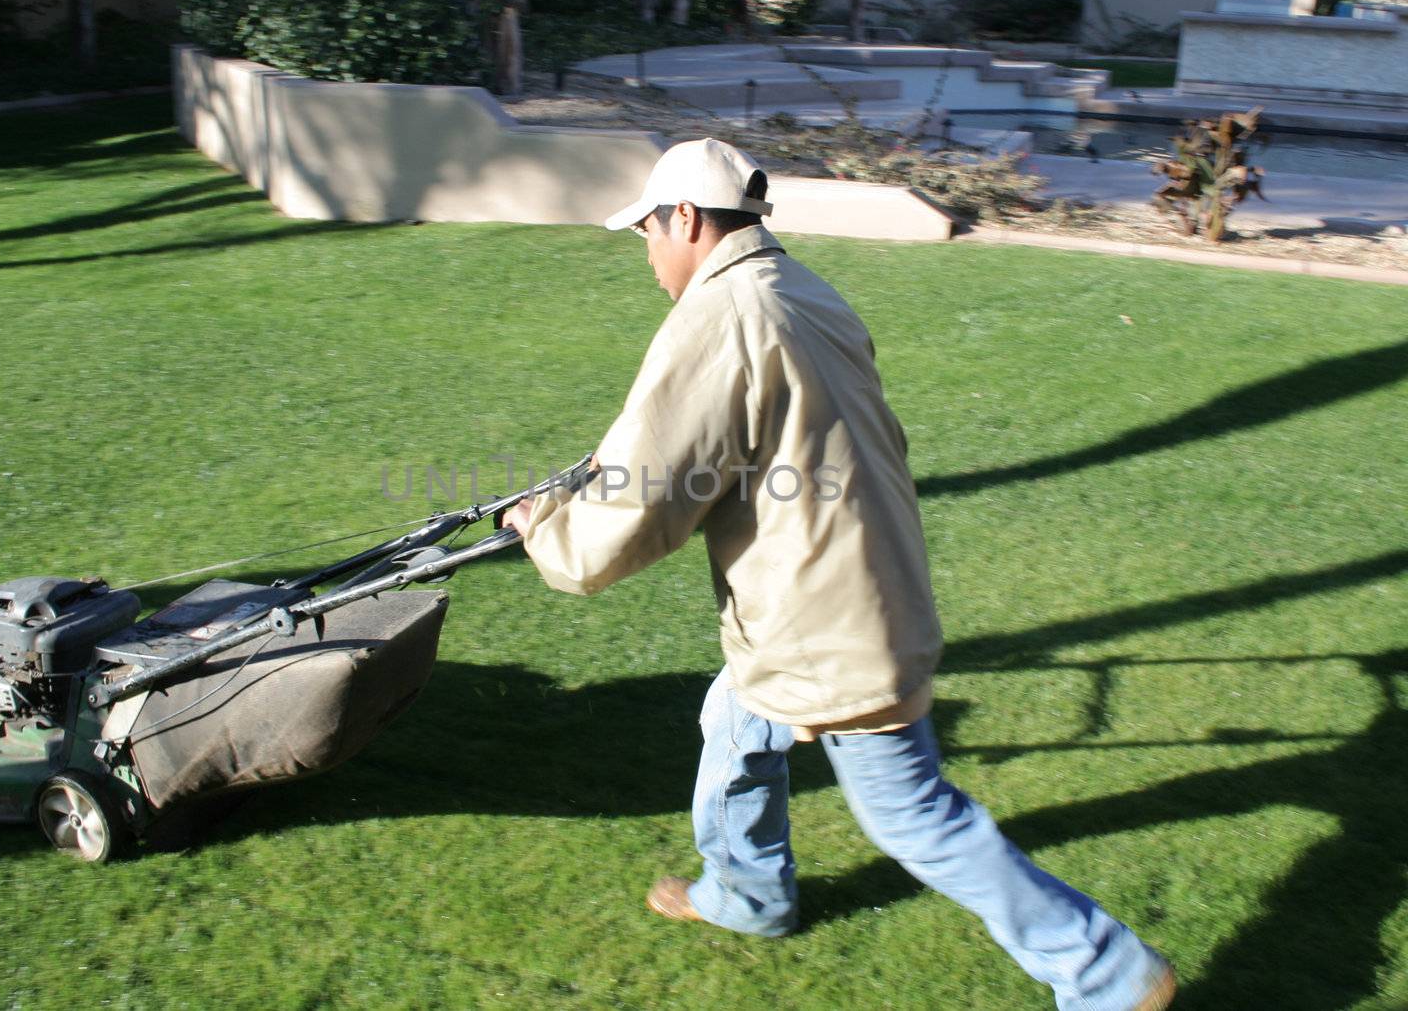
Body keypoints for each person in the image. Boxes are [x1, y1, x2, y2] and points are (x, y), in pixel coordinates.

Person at [502, 139, 1175, 1011]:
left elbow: (648, 498)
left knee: (913, 816)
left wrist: (547, 531)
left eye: (647, 232)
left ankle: (1105, 971)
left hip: (827, 623)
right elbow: (731, 441)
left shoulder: (721, 318)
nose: (647, 253)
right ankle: (747, 895)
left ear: (687, 220)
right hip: (843, 586)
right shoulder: (799, 290)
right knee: (733, 724)